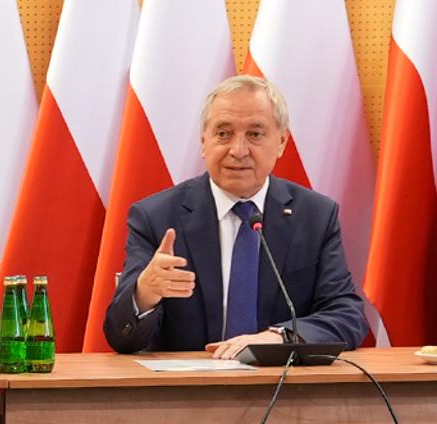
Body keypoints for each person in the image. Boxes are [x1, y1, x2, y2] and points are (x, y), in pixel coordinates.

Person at [103, 75, 369, 357]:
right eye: (223, 134)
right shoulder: (156, 218)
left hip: (282, 380)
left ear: (281, 142)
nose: (238, 151)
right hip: (187, 383)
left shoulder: (315, 216)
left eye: (255, 134)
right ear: (203, 141)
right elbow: (121, 338)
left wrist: (280, 337)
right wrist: (144, 293)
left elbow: (347, 316)